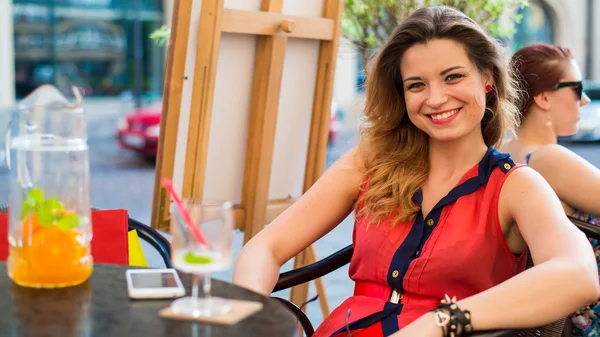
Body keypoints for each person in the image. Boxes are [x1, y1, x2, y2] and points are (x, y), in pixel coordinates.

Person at [232, 6, 600, 337]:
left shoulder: (514, 185)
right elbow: (265, 247)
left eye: (453, 77)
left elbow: (579, 275)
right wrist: (249, 320)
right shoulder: (371, 163)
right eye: (417, 85)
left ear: (487, 78)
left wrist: (443, 320)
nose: (435, 98)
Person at [500, 43, 600, 337]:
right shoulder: (546, 158)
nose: (583, 100)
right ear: (543, 97)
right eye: (575, 89)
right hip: (580, 314)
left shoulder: (501, 151)